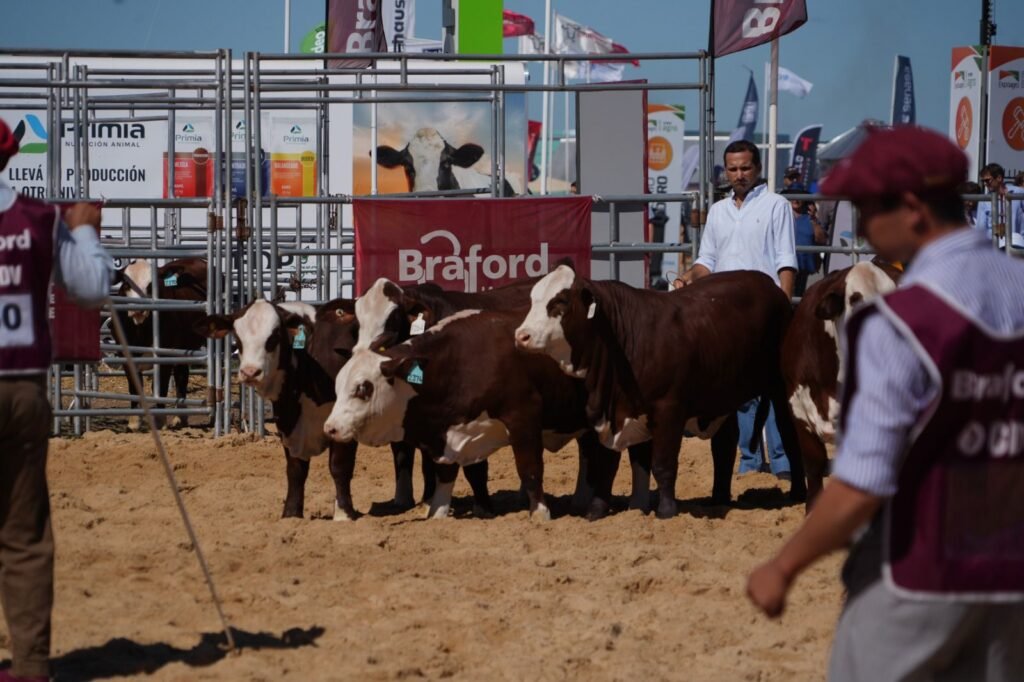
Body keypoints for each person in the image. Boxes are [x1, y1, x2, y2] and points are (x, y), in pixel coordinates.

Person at [746, 125, 1024, 681]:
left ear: (914, 208)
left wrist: (784, 565)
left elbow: (863, 481)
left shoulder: (897, 323)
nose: (863, 225)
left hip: (919, 569)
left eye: (868, 209)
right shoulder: (1018, 286)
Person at [0, 119, 113, 681]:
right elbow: (91, 288)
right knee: (22, 531)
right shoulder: (37, 218)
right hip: (19, 387)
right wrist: (86, 229)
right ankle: (29, 665)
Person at [674, 140, 797, 479]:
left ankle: (783, 460)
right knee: (738, 392)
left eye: (745, 168)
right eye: (733, 169)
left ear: (757, 168)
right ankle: (750, 460)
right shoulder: (718, 211)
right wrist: (688, 278)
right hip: (725, 317)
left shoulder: (776, 205)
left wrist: (784, 307)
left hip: (765, 311)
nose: (739, 175)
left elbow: (786, 260)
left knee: (775, 387)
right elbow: (707, 262)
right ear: (725, 172)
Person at [782, 185, 828, 297]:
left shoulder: (810, 219)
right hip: (785, 265)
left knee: (798, 296)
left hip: (803, 267)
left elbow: (822, 239)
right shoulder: (781, 215)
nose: (795, 199)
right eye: (792, 195)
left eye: (799, 196)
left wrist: (813, 219)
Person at [977, 162, 1024, 247]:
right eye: (983, 181)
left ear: (999, 178)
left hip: (1018, 244)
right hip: (994, 246)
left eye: (987, 180)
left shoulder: (1019, 193)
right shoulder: (984, 200)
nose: (985, 184)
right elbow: (981, 229)